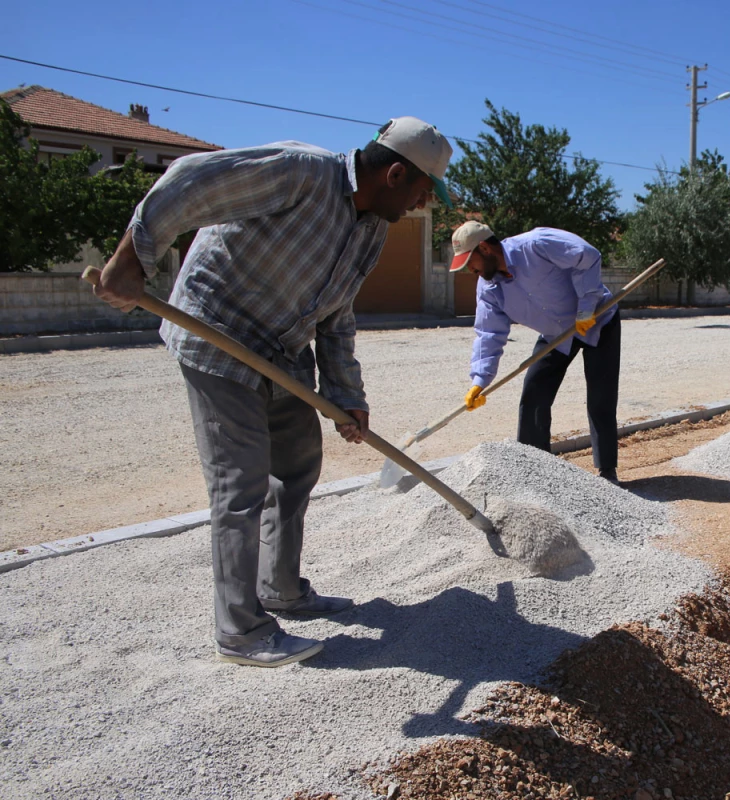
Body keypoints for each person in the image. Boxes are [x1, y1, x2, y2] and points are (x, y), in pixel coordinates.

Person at [93, 117, 453, 667]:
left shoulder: (372, 227)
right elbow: (191, 179)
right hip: (216, 336)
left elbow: (337, 316)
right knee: (239, 485)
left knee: (299, 464)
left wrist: (345, 394)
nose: (422, 204)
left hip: (282, 349)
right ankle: (239, 631)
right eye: (422, 192)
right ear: (395, 173)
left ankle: (281, 590)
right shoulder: (300, 173)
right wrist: (131, 259)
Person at [449, 223, 622, 483]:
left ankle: (607, 471)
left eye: (469, 262)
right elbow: (489, 334)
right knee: (533, 395)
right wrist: (479, 381)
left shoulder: (536, 244)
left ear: (484, 248)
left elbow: (587, 256)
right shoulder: (488, 289)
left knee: (600, 398)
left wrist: (587, 306)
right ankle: (535, 472)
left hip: (598, 320)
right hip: (556, 336)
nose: (469, 270)